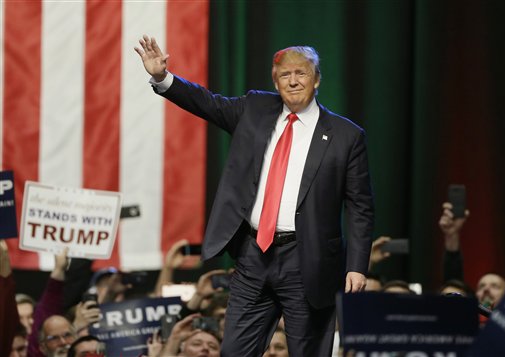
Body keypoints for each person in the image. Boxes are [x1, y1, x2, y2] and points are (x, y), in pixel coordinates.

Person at [135, 35, 374, 356]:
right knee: (234, 351)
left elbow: (360, 207)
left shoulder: (347, 136)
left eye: (301, 73)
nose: (293, 81)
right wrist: (163, 78)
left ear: (316, 79)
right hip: (253, 257)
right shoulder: (255, 109)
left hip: (309, 262)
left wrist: (357, 266)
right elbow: (208, 103)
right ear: (275, 82)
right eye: (285, 75)